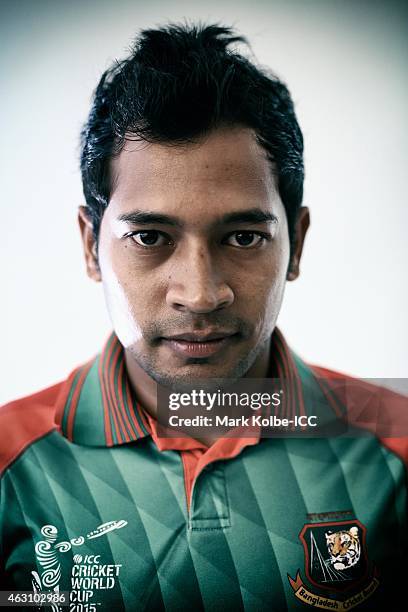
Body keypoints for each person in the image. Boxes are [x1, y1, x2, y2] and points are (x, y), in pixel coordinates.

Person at [0, 22, 406, 611]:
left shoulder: (394, 446)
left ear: (296, 241)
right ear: (91, 246)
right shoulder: (12, 466)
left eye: (243, 237)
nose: (200, 293)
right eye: (149, 236)